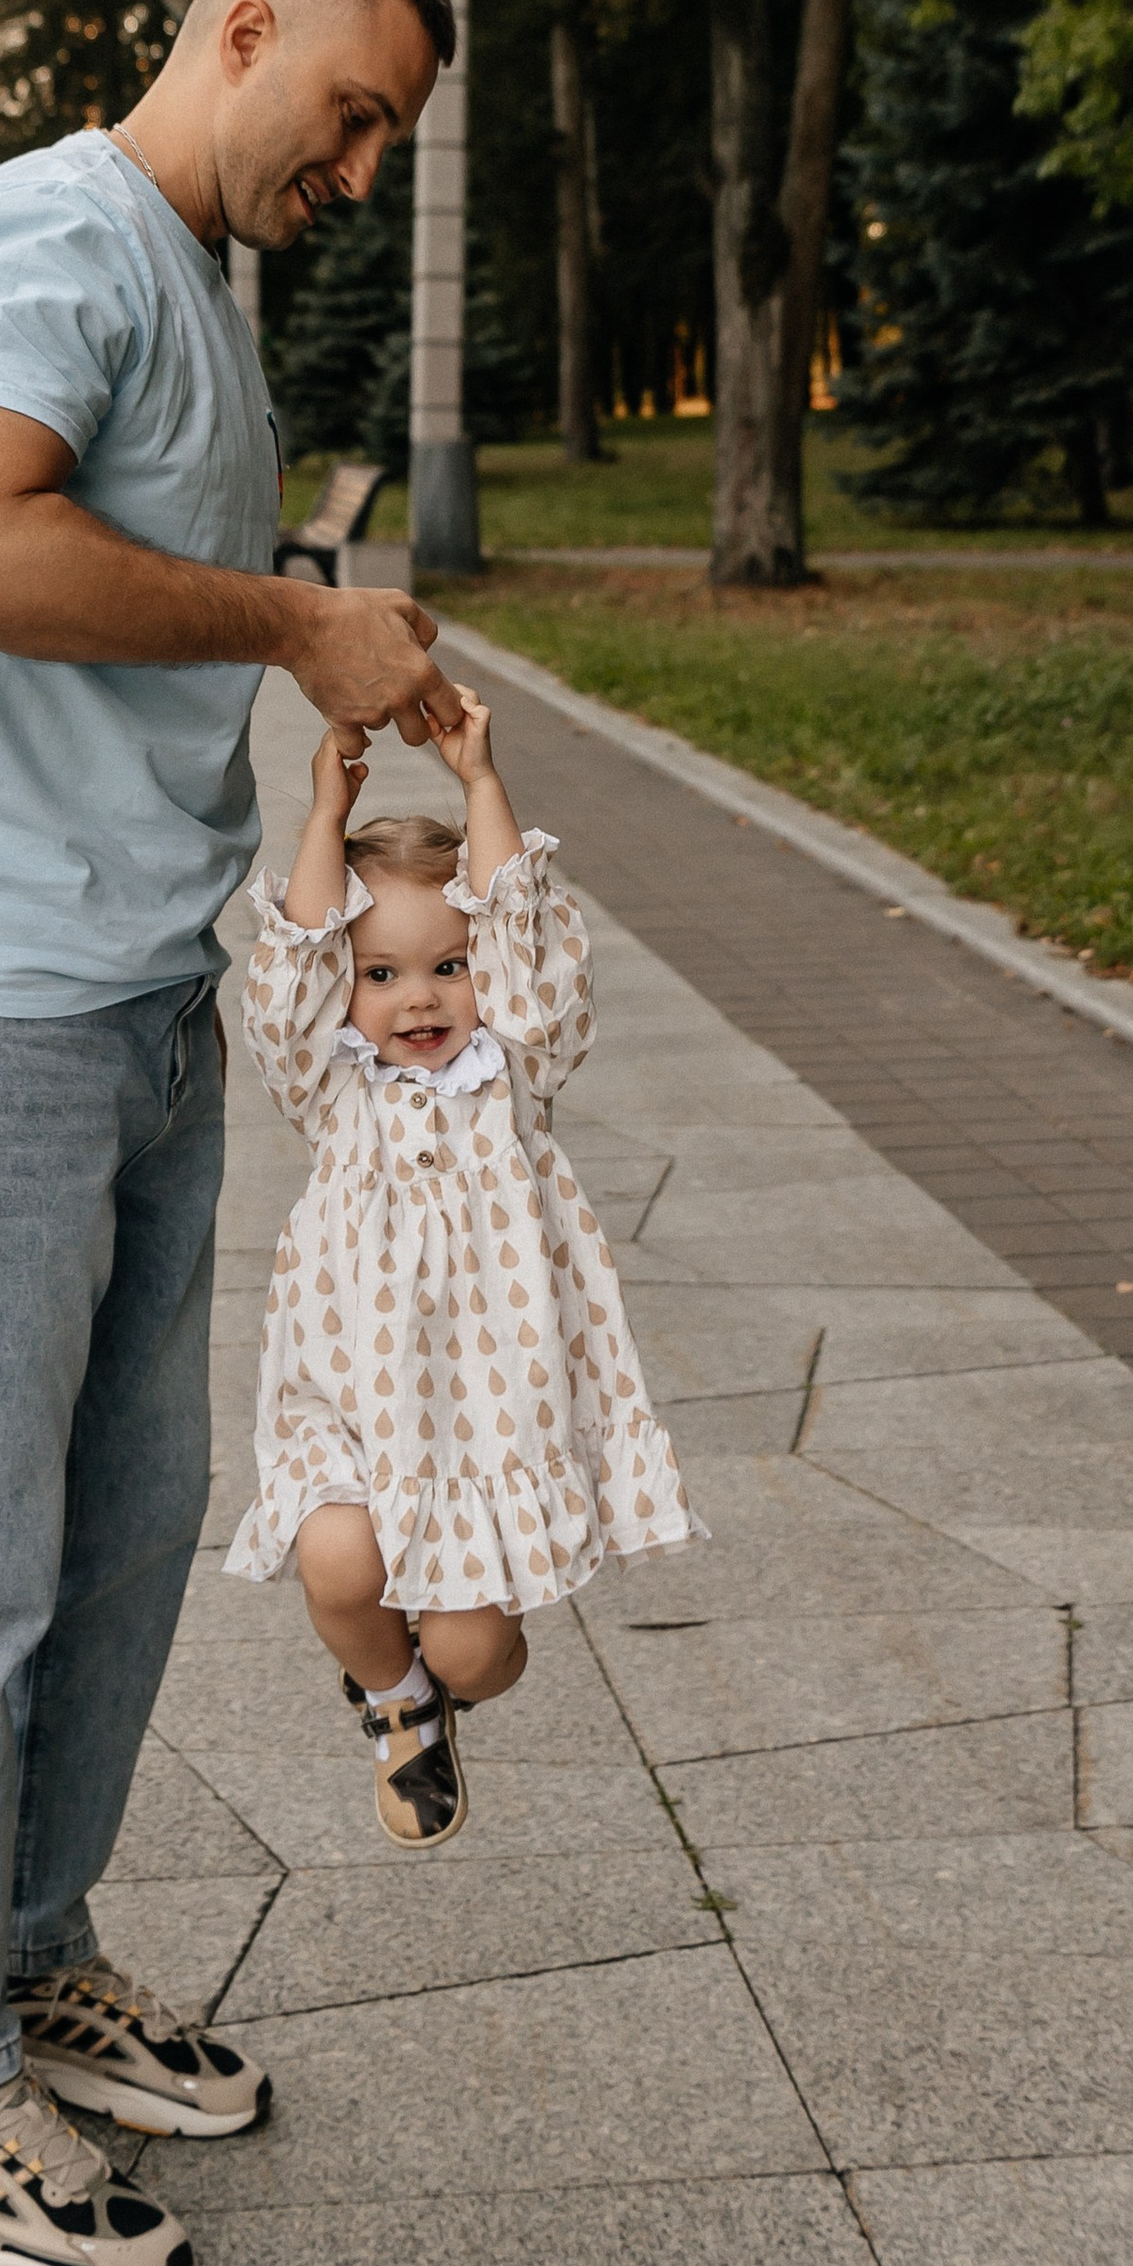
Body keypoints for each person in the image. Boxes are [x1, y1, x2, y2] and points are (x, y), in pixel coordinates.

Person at [0, 0, 464, 2266]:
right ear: (244, 23)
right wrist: (297, 619)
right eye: (355, 112)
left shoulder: (189, 272)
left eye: (396, 137)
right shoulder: (58, 227)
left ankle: (25, 1954)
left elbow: (93, 565)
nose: (364, 165)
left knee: (110, 1525)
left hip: (122, 994)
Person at [228, 687, 702, 1845]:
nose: (419, 997)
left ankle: (442, 1688)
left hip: (486, 1425)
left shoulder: (517, 1074)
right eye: (381, 974)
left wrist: (480, 782)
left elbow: (527, 944)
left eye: (446, 966)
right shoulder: (329, 1086)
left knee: (478, 1656)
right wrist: (324, 808)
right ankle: (395, 1705)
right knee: (338, 1565)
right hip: (350, 1400)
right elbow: (291, 968)